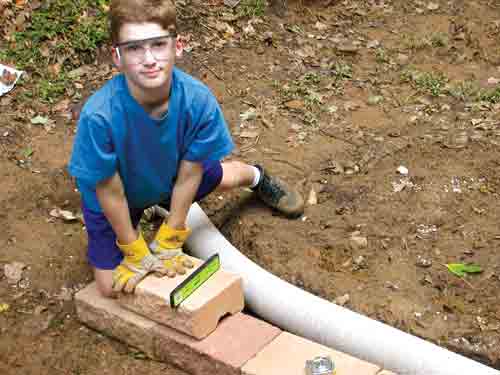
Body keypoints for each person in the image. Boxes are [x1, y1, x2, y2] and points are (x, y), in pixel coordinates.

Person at [68, 0, 304, 298]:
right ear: (117, 56)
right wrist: (133, 247)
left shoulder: (197, 101)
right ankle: (145, 212)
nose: (149, 58)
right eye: (134, 48)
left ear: (177, 46)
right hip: (118, 198)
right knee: (110, 288)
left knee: (225, 177)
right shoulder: (100, 116)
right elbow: (109, 191)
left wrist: (171, 236)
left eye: (158, 44)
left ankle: (256, 176)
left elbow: (191, 173)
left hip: (172, 176)